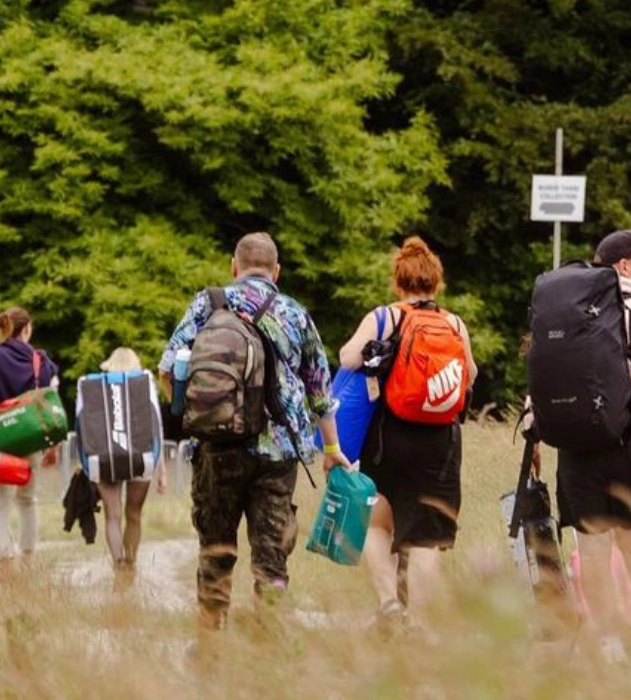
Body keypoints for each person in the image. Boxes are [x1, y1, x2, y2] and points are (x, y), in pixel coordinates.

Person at [159, 232, 349, 630]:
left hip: (216, 447)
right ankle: (270, 650)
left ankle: (210, 646)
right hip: (277, 455)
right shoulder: (295, 314)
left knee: (215, 550)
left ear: (234, 266)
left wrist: (194, 410)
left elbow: (168, 368)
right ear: (276, 271)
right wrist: (331, 448)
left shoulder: (207, 304)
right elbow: (320, 391)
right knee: (271, 558)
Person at [538, 229, 631, 662]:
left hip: (573, 443)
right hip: (627, 441)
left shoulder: (563, 313)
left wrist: (534, 431)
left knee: (592, 543)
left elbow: (545, 375)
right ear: (624, 266)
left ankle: (607, 641)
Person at [337, 237, 477, 632]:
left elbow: (348, 357)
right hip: (440, 440)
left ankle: (388, 606)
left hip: (388, 438)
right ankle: (416, 624)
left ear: (398, 282)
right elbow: (471, 376)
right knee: (426, 537)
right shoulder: (454, 323)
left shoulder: (383, 317)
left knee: (376, 522)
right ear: (437, 283)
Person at [0, 307, 60, 563]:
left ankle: (3, 562)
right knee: (27, 500)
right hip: (29, 440)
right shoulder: (40, 361)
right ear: (26, 328)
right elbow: (52, 405)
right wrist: (53, 447)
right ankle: (27, 559)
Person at [94, 346, 168, 591]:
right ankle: (131, 564)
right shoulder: (145, 383)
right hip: (141, 457)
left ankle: (119, 567)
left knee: (112, 516)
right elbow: (156, 426)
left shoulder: (99, 385)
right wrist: (162, 471)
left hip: (106, 458)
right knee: (133, 514)